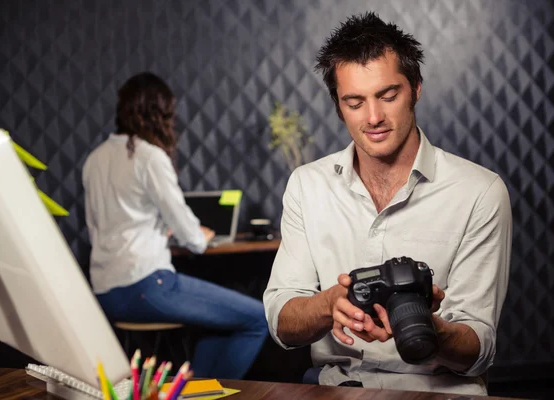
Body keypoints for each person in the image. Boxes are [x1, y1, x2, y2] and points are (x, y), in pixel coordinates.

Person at [263, 12, 511, 395]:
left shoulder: (479, 192)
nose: (374, 117)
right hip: (338, 390)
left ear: (416, 88)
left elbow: (477, 349)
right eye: (354, 102)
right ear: (338, 105)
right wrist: (330, 305)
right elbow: (281, 322)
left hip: (438, 392)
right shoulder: (307, 185)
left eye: (388, 95)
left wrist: (427, 326)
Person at [82, 72, 267, 380]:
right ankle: (206, 395)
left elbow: (100, 227)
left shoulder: (95, 159)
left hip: (105, 293)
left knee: (217, 322)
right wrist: (199, 236)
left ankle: (195, 391)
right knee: (259, 319)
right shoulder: (149, 157)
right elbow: (191, 237)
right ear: (160, 112)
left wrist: (157, 232)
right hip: (146, 287)